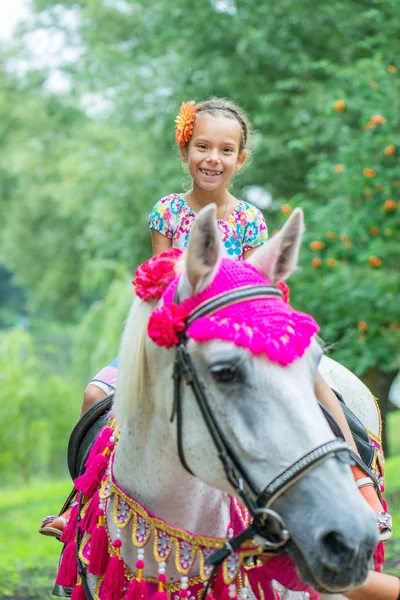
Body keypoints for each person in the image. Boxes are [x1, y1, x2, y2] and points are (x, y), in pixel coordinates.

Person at [39, 97, 391, 547]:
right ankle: (86, 507)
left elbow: (254, 285)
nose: (213, 159)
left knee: (316, 381)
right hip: (178, 330)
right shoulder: (167, 211)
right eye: (203, 147)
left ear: (240, 160)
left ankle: (359, 481)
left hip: (238, 332)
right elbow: (161, 282)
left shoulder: (249, 219)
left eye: (226, 150)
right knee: (96, 393)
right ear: (185, 150)